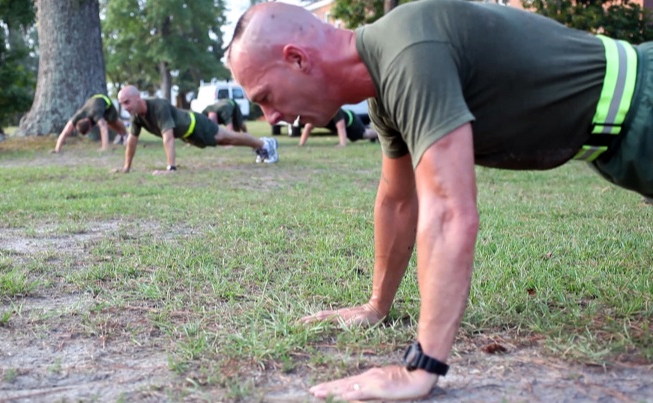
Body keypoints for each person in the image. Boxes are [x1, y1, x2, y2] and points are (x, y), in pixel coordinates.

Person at [226, 0, 653, 401]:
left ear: (297, 59)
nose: (271, 117)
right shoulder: (384, 85)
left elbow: (449, 212)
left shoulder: (408, 51)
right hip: (620, 144)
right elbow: (397, 201)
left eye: (264, 96)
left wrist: (421, 368)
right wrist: (376, 306)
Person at [116, 85, 278, 175]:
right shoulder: (137, 116)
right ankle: (261, 145)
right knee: (228, 139)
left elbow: (168, 137)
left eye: (126, 102)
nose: (124, 107)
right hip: (189, 135)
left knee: (229, 138)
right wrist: (126, 167)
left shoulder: (158, 105)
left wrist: (171, 168)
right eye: (122, 104)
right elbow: (132, 141)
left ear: (138, 98)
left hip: (197, 124)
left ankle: (264, 144)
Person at [52, 93, 128, 153]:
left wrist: (104, 147)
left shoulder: (95, 114)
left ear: (90, 128)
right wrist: (57, 149)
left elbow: (103, 128)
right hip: (94, 103)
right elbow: (65, 132)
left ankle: (125, 135)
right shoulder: (78, 116)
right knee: (108, 123)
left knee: (112, 120)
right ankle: (120, 135)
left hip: (105, 101)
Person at [299, 108, 378, 147]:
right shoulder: (317, 116)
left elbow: (341, 127)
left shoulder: (334, 110)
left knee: (363, 134)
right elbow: (308, 127)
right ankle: (369, 130)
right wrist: (301, 144)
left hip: (352, 121)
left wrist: (342, 144)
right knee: (354, 137)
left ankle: (378, 134)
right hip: (345, 126)